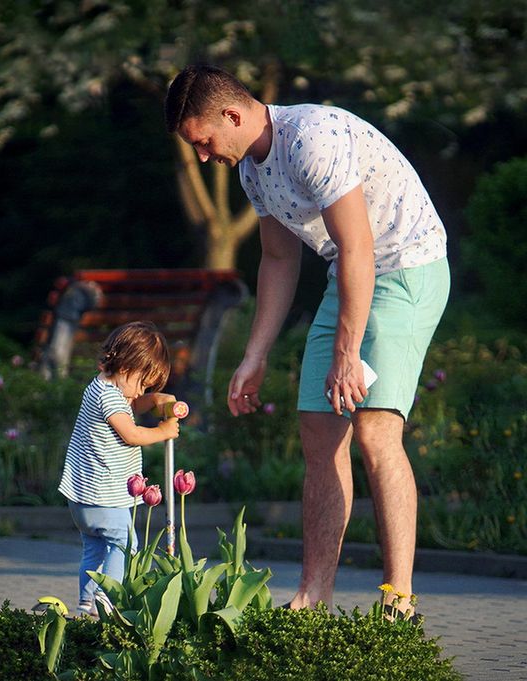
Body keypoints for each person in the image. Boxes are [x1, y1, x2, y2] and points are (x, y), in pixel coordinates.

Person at [165, 65, 450, 619]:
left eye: (203, 141)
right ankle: (313, 597)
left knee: (374, 428)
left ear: (232, 115)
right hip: (350, 275)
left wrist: (347, 354)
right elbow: (277, 258)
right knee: (319, 431)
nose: (202, 156)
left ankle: (399, 600)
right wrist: (254, 356)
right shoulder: (252, 171)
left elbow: (360, 246)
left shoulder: (311, 139)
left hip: (405, 269)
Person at [58, 321, 180, 616]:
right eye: (142, 383)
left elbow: (132, 406)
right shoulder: (109, 397)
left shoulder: (102, 387)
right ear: (126, 365)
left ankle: (86, 603)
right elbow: (131, 434)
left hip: (83, 498)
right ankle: (106, 599)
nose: (140, 391)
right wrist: (163, 431)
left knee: (95, 550)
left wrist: (153, 400)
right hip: (104, 496)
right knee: (125, 544)